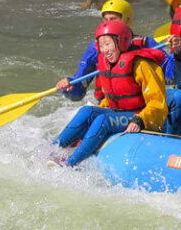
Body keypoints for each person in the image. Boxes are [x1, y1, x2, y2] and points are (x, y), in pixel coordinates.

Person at [55, 0, 181, 134]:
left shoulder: (146, 43)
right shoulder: (96, 48)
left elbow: (173, 77)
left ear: (127, 21)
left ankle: (170, 135)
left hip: (141, 107)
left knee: (179, 97)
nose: (108, 24)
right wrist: (69, 86)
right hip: (110, 107)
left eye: (113, 19)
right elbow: (78, 91)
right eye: (105, 20)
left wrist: (177, 53)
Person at [54, 20, 168, 166]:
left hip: (142, 117)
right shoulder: (107, 64)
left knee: (103, 120)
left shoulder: (142, 64)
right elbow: (113, 98)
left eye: (107, 44)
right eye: (101, 46)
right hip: (120, 113)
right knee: (87, 111)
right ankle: (53, 149)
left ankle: (70, 163)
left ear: (122, 41)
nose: (104, 50)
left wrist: (140, 119)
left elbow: (158, 104)